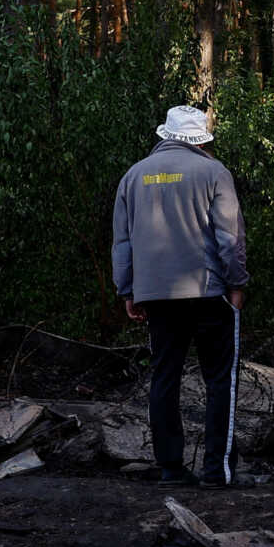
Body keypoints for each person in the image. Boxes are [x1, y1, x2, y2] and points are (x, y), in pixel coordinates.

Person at [111, 104, 248, 487]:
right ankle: (216, 471)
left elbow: (122, 242)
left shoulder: (133, 177)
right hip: (207, 291)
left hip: (156, 295)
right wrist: (236, 285)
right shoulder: (213, 172)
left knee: (164, 378)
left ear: (164, 136)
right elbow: (230, 238)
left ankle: (171, 468)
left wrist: (128, 290)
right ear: (201, 140)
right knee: (220, 380)